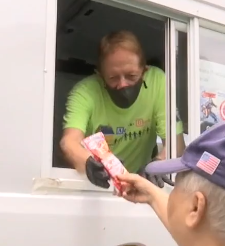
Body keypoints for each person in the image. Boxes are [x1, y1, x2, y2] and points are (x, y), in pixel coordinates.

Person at [60, 30, 186, 189]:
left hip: (139, 184)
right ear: (100, 76)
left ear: (144, 71)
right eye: (113, 78)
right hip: (97, 185)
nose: (123, 84)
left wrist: (158, 166)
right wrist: (88, 163)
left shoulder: (158, 82)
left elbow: (176, 143)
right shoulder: (84, 93)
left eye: (131, 75)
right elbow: (69, 142)